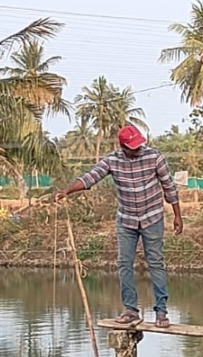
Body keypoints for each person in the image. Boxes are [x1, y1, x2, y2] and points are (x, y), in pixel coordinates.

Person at [55, 126, 184, 328]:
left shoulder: (154, 157)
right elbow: (90, 177)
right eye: (133, 147)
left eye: (139, 145)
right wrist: (67, 191)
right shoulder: (112, 160)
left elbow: (169, 187)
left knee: (156, 263)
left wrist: (177, 215)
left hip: (152, 217)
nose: (138, 149)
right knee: (124, 264)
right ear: (123, 146)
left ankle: (161, 312)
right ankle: (131, 310)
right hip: (127, 220)